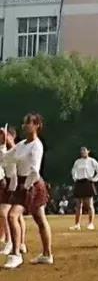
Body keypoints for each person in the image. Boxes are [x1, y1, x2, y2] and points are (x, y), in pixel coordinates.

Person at [4, 113, 53, 269]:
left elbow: (35, 171)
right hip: (24, 183)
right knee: (40, 219)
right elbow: (6, 158)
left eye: (28, 123)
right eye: (24, 123)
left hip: (32, 185)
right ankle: (47, 255)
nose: (25, 126)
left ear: (37, 125)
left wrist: (26, 187)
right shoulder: (22, 144)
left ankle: (16, 254)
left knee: (12, 216)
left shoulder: (37, 145)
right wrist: (5, 143)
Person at [69, 146, 98, 231]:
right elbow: (73, 171)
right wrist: (75, 178)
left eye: (84, 150)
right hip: (79, 182)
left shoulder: (92, 161)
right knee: (78, 205)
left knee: (89, 204)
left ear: (88, 151)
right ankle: (77, 224)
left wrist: (94, 179)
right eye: (81, 150)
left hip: (87, 182)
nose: (82, 152)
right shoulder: (77, 161)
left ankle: (91, 223)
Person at [0, 125, 16, 256]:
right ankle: (16, 243)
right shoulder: (6, 150)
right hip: (8, 182)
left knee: (6, 213)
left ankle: (10, 242)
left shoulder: (17, 149)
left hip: (14, 183)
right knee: (13, 215)